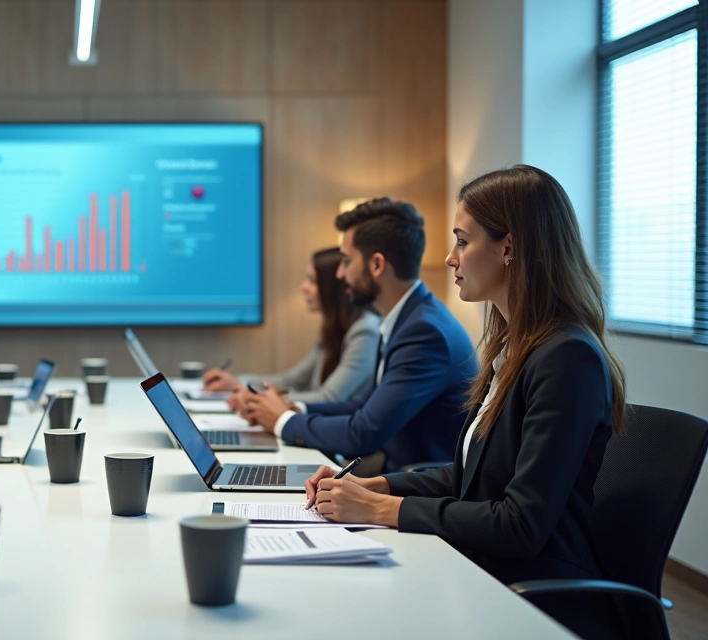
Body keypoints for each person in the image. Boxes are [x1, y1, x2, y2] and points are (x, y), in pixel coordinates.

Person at [303, 165, 627, 639]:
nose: (451, 258)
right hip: (485, 570)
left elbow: (519, 524)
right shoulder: (513, 349)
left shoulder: (566, 357)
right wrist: (379, 486)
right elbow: (471, 476)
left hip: (532, 596)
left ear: (509, 248)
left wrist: (377, 511)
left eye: (462, 240)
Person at [240, 197, 477, 473]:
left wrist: (282, 421)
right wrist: (295, 409)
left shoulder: (425, 332)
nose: (340, 274)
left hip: (418, 492)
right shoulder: (408, 318)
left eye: (346, 260)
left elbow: (364, 433)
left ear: (376, 265)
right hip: (397, 476)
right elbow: (363, 406)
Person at [203, 247, 380, 404]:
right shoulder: (333, 328)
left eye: (312, 280)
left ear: (333, 287)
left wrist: (256, 397)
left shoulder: (364, 332)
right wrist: (239, 384)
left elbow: (329, 398)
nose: (303, 287)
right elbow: (291, 380)